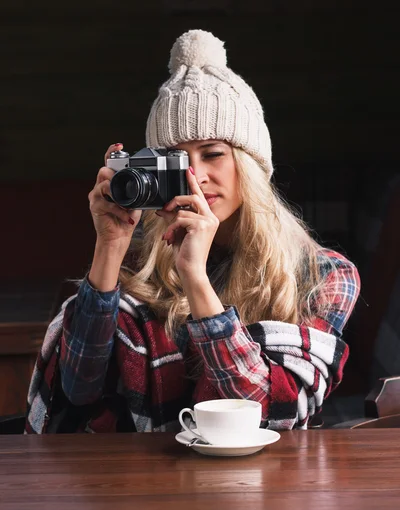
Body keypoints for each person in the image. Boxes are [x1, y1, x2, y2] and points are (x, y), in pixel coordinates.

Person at [26, 29, 360, 434]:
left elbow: (271, 410)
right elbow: (77, 391)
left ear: (250, 165)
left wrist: (195, 278)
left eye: (214, 154)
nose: (196, 176)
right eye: (177, 161)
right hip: (143, 483)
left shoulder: (323, 274)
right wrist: (110, 247)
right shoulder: (138, 264)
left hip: (271, 484)